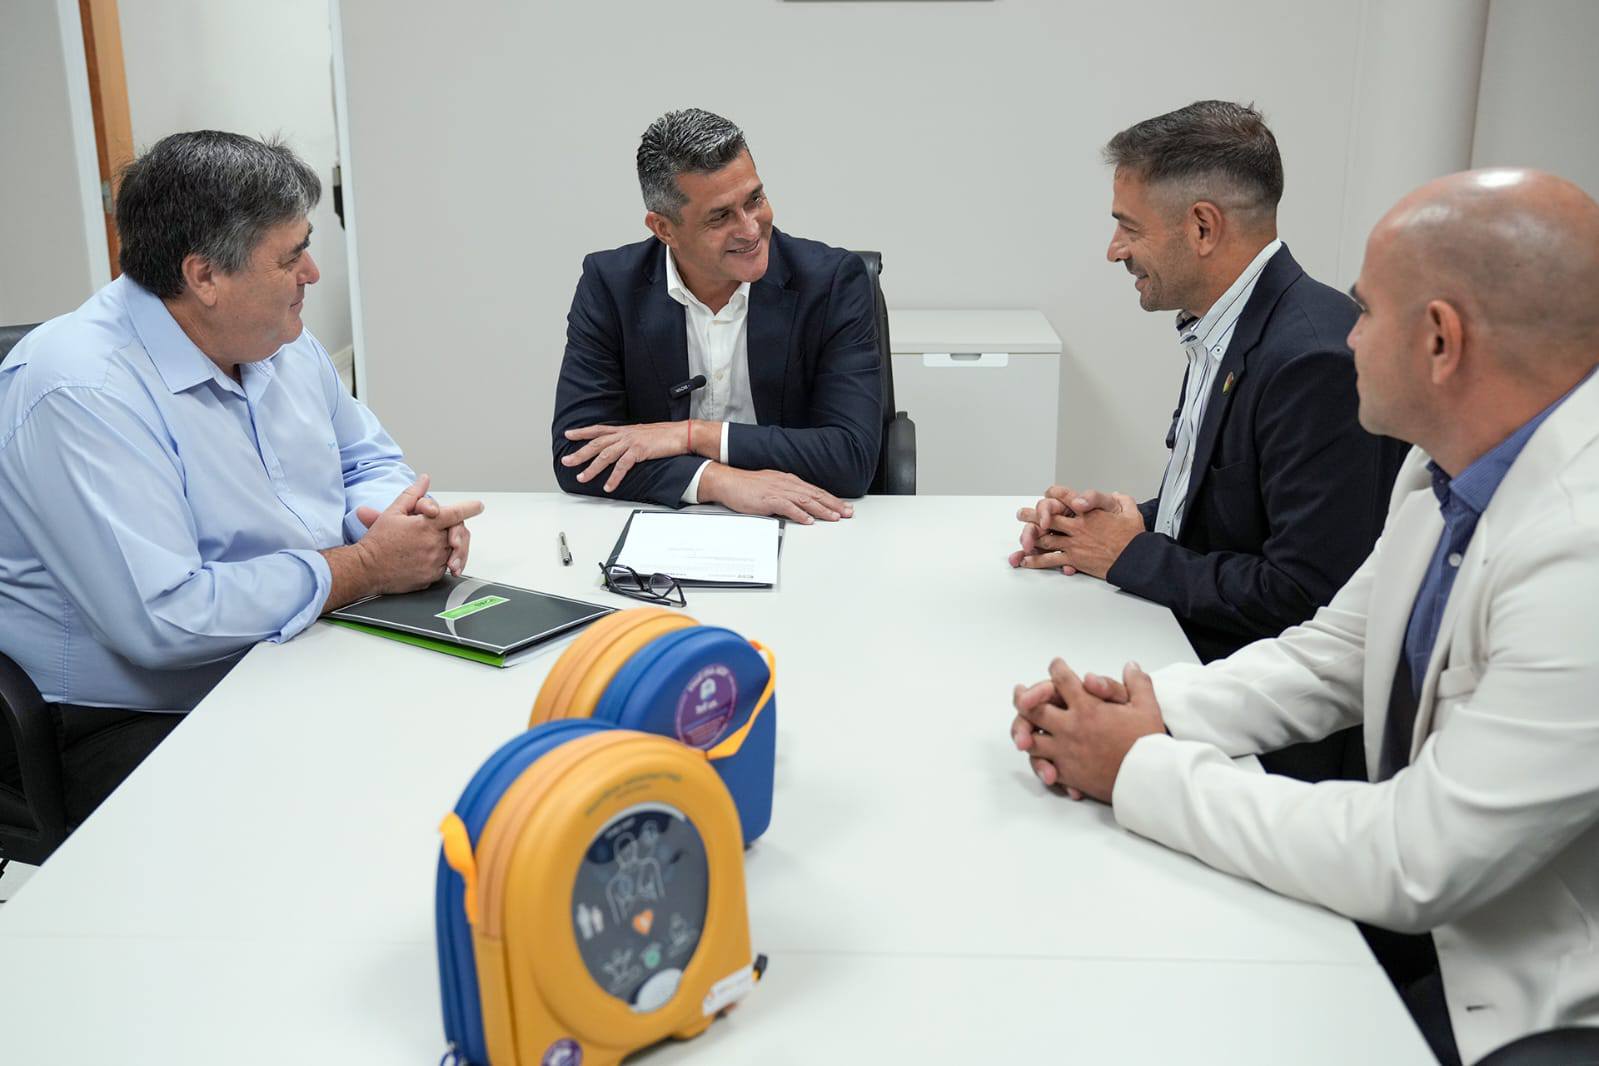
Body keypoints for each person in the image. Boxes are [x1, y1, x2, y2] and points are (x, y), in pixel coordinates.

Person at [1009, 169, 1599, 1066]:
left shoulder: (1579, 549)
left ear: (1440, 341)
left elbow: (1411, 858)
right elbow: (1333, 653)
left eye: (1366, 312)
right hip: (1441, 928)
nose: (1345, 334)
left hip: (1531, 1002)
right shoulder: (1443, 465)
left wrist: (1136, 766)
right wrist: (1141, 708)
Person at [0, 131, 482, 823]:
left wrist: (402, 522)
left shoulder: (277, 339)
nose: (313, 273)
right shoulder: (82, 388)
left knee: (455, 747)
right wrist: (367, 567)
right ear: (205, 277)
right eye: (290, 257)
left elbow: (366, 460)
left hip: (291, 642)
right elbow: (164, 618)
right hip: (122, 715)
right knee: (338, 820)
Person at [1010, 101, 1406, 781]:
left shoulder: (1312, 358)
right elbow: (1237, 506)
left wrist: (1128, 553)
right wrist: (1124, 520)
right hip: (1198, 665)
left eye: (1128, 227)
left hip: (1267, 738)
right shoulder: (1231, 325)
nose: (1114, 250)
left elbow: (1307, 597)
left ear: (1201, 227)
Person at [550, 108, 882, 524]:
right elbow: (579, 456)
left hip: (806, 524)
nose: (751, 229)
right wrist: (716, 480)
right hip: (662, 521)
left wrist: (693, 435)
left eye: (755, 200)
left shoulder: (832, 282)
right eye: (721, 216)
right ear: (664, 229)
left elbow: (851, 457)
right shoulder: (610, 286)